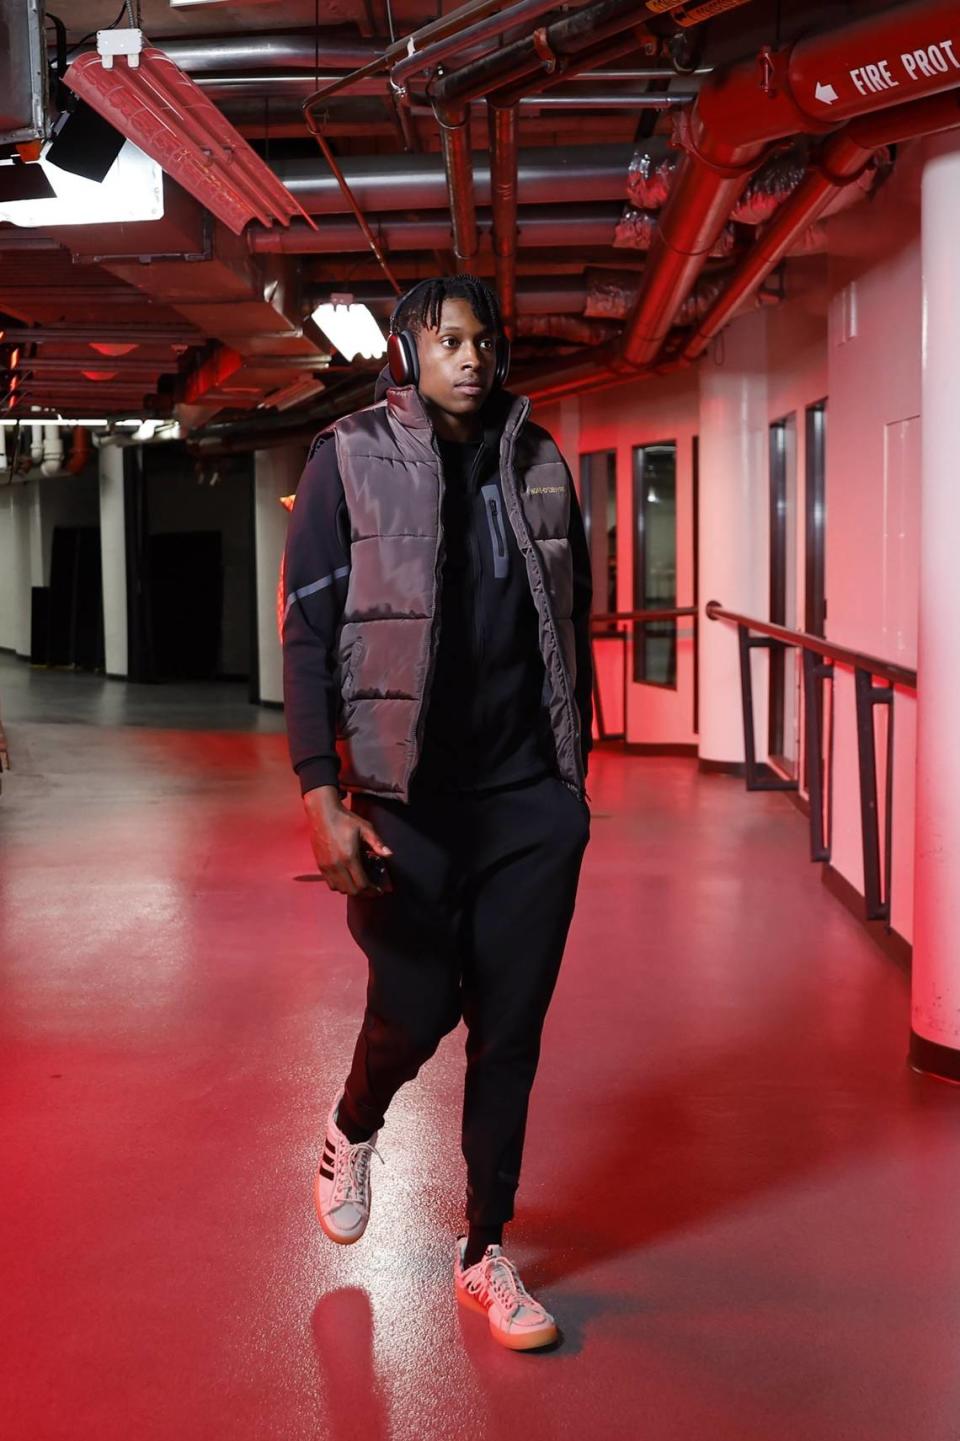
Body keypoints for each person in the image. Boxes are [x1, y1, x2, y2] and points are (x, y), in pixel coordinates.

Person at [282, 274, 593, 1352]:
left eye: (483, 338)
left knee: (510, 1030)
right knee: (416, 1008)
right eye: (447, 338)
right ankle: (351, 1125)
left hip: (526, 805)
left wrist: (568, 787)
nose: (471, 356)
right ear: (409, 352)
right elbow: (311, 634)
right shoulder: (348, 459)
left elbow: (569, 623)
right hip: (406, 802)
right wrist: (322, 795)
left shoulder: (541, 462)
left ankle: (485, 1249)